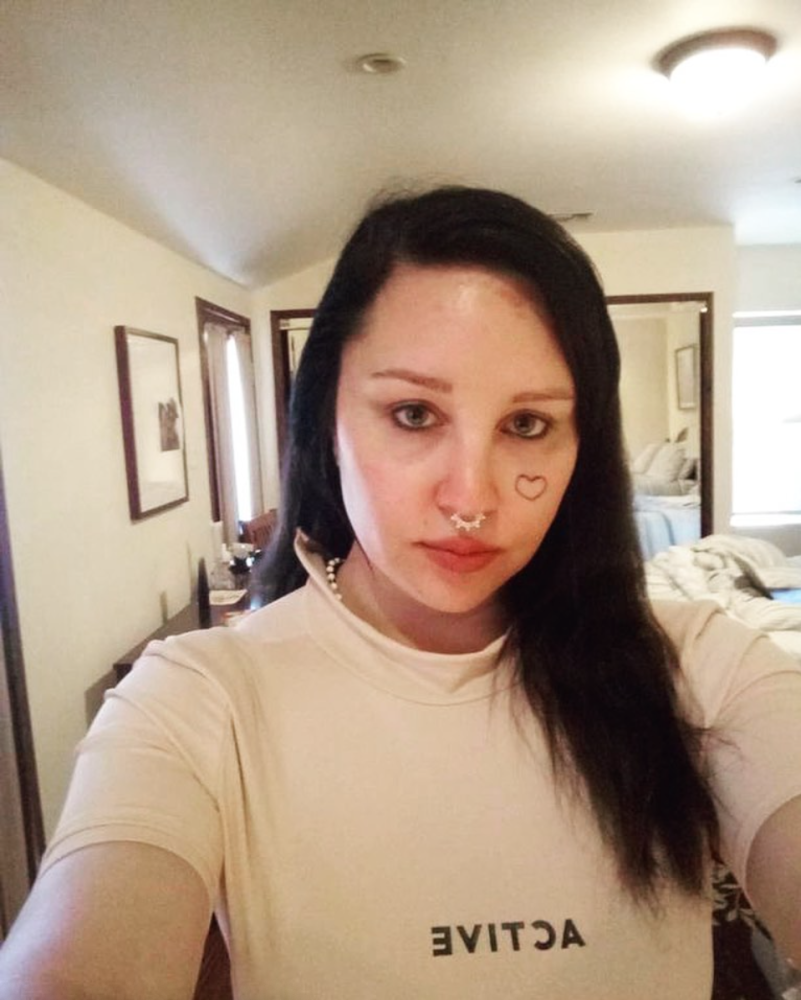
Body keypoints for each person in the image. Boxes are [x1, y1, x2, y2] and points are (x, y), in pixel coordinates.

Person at [1, 186, 799, 999]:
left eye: (526, 425)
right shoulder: (197, 700)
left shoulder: (701, 668)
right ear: (325, 423)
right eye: (414, 413)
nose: (470, 499)